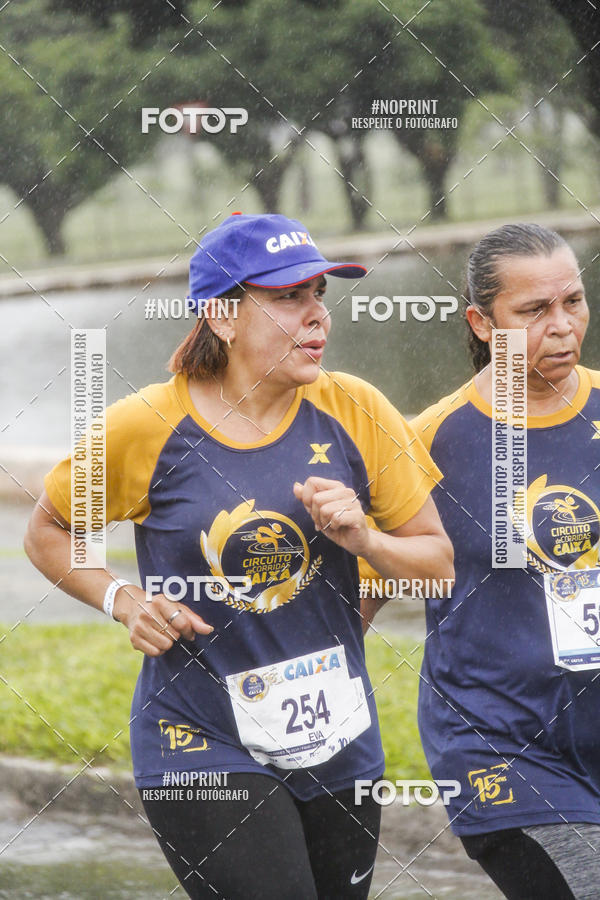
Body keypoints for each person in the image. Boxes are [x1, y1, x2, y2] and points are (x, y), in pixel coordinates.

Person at [24, 212, 454, 900]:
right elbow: (48, 530)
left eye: (320, 295)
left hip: (339, 741)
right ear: (222, 316)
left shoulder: (357, 410)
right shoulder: (146, 426)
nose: (317, 316)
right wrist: (123, 599)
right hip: (199, 743)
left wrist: (365, 541)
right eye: (289, 297)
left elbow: (438, 565)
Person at [366, 223, 600, 899]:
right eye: (533, 311)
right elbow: (351, 602)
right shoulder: (428, 442)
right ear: (481, 321)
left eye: (573, 303)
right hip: (499, 745)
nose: (562, 327)